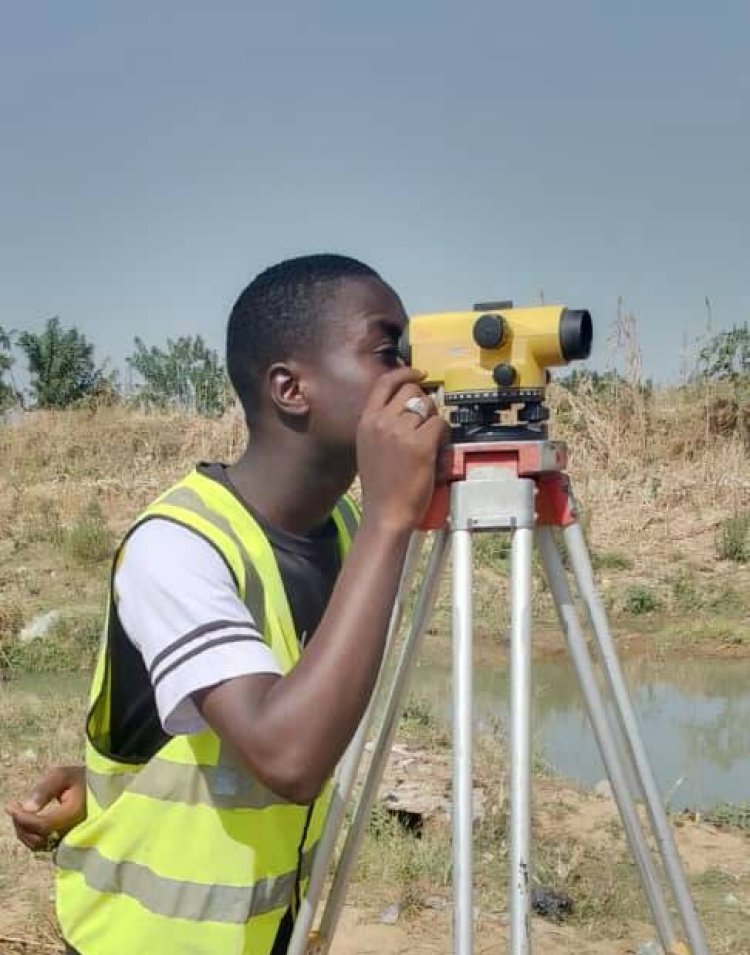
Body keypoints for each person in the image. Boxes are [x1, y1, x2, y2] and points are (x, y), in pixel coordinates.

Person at [5, 253, 449, 955]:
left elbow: (204, 744)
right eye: (384, 349)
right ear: (289, 387)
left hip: (267, 932)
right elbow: (289, 754)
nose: (411, 378)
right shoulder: (178, 547)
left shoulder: (341, 533)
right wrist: (395, 516)